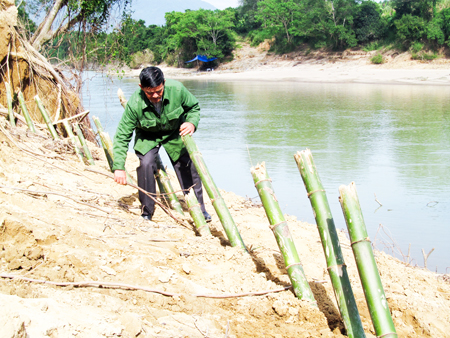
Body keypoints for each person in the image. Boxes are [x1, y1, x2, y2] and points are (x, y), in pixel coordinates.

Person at [112, 66, 211, 222]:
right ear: (141, 87)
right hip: (147, 135)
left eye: (159, 90)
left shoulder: (177, 89)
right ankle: (147, 211)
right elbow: (122, 135)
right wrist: (118, 167)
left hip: (174, 133)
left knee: (187, 165)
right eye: (150, 93)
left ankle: (199, 209)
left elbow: (193, 107)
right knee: (146, 164)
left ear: (164, 82)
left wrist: (191, 123)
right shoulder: (135, 103)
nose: (155, 95)